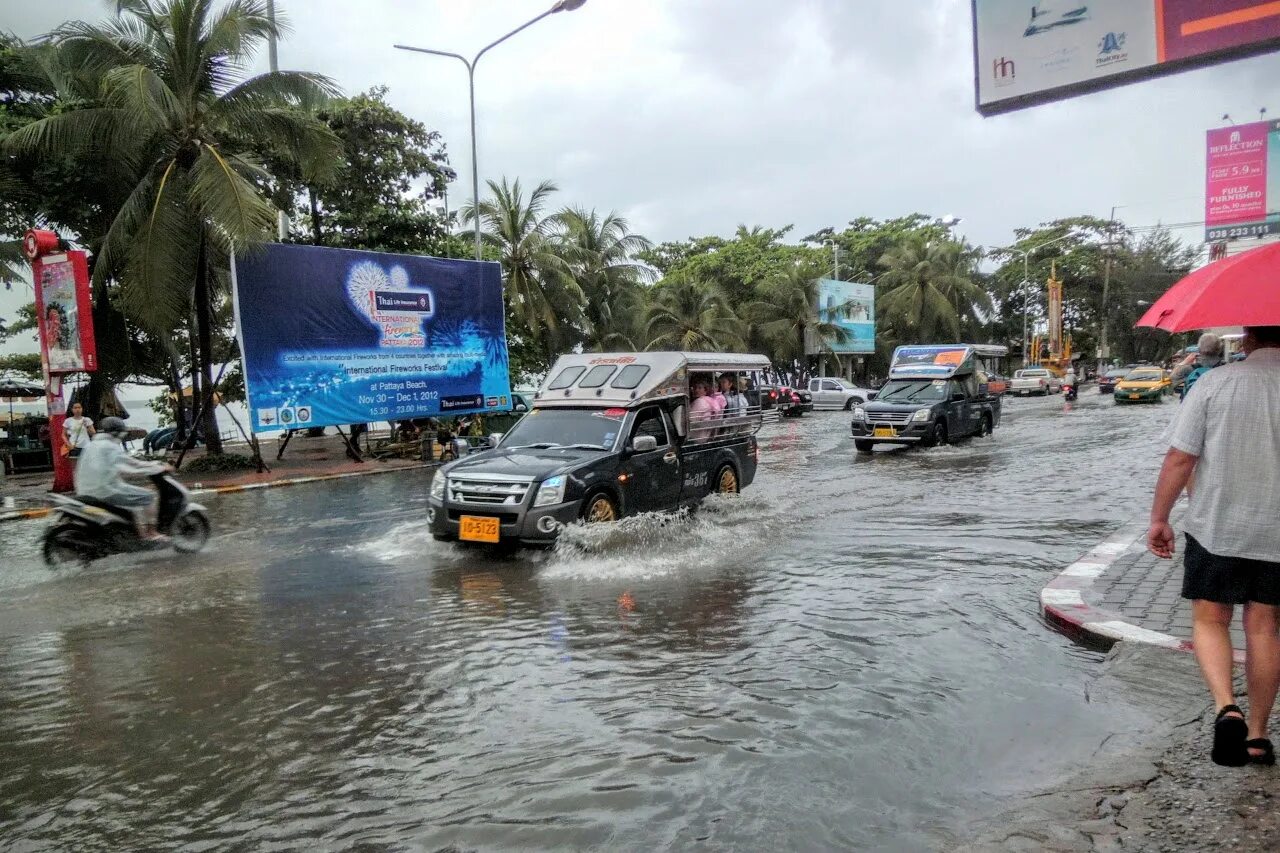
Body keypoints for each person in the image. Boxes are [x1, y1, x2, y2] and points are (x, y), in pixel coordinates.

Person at [1147, 325, 1280, 767]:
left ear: (1247, 339)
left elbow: (1181, 457)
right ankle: (1259, 736)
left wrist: (1159, 518)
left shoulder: (1214, 383)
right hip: (1276, 534)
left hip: (1217, 527)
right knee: (1264, 628)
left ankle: (1227, 707)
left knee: (1210, 619)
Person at [74, 416, 169, 540]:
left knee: (130, 501)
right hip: (106, 490)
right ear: (117, 433)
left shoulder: (91, 445)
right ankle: (151, 533)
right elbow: (133, 465)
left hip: (84, 491)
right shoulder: (109, 446)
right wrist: (158, 467)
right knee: (148, 497)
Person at [1171, 332, 1225, 400]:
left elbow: (1172, 381)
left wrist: (1183, 362)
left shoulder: (1189, 370)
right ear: (1220, 350)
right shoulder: (1228, 368)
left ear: (1199, 350)